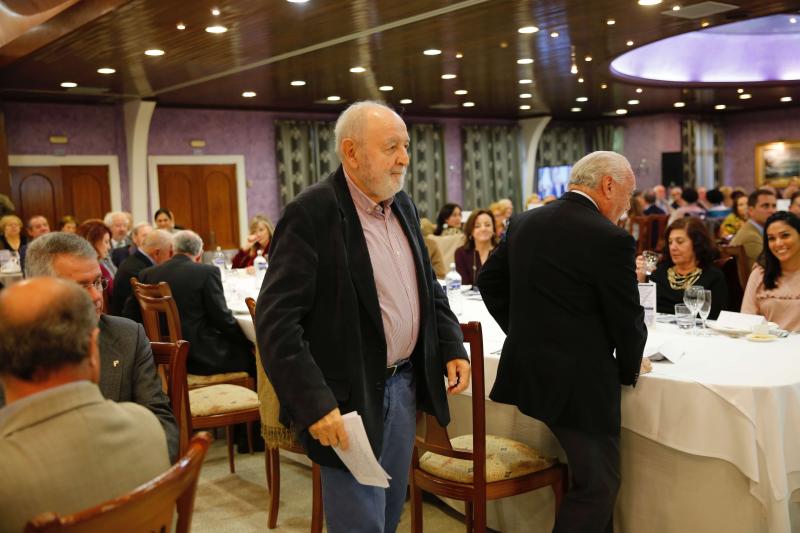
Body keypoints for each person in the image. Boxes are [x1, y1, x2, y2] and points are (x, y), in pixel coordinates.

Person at [256, 101, 470, 533]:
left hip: (404, 386)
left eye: (406, 146)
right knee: (360, 523)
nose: (405, 158)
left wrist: (450, 343)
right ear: (351, 153)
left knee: (389, 514)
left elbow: (427, 286)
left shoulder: (402, 204)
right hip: (347, 401)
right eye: (392, 146)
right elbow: (276, 324)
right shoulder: (312, 213)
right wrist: (315, 404)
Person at [478, 151, 649, 533]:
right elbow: (627, 319)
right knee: (598, 487)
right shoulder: (611, 238)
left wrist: (523, 332)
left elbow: (489, 281)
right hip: (580, 385)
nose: (627, 205)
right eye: (628, 193)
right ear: (608, 184)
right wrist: (630, 367)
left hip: (533, 372)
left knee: (592, 479)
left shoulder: (525, 222)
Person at [0, 277, 170, 533]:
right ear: (94, 350)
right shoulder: (147, 427)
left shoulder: (8, 473)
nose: (96, 295)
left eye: (98, 282)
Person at [7, 232, 180, 462]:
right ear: (40, 290)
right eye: (81, 287)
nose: (97, 296)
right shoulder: (11, 349)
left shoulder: (127, 335)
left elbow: (162, 424)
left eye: (98, 282)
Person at [128, 230, 254, 376]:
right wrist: (246, 340)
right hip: (200, 358)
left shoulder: (147, 274)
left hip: (162, 356)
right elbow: (222, 319)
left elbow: (130, 312)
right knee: (250, 355)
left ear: (171, 250)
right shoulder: (207, 272)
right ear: (199, 255)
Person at [636, 217, 727, 319]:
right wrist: (641, 279)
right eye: (670, 242)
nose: (673, 247)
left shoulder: (713, 277)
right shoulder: (659, 273)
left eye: (680, 242)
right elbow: (642, 310)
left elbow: (715, 318)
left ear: (696, 243)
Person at [741, 212, 800, 331]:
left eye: (785, 236)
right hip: (766, 345)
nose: (778, 243)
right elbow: (746, 320)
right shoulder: (760, 273)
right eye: (772, 238)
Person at [110, 229, 173, 316]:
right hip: (128, 324)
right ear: (157, 253)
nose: (171, 258)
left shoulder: (136, 261)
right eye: (170, 253)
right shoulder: (140, 271)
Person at [731, 188, 778, 271]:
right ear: (751, 210)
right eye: (766, 206)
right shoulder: (751, 236)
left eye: (774, 206)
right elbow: (771, 268)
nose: (772, 211)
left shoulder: (756, 231)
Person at [454, 208, 498, 285]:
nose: (483, 229)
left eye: (487, 225)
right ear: (471, 231)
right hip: (469, 297)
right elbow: (464, 285)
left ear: (493, 229)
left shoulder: (503, 251)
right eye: (477, 226)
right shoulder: (461, 253)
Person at [77, 218, 115, 297]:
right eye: (106, 242)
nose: (109, 247)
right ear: (93, 242)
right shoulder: (88, 269)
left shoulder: (102, 263)